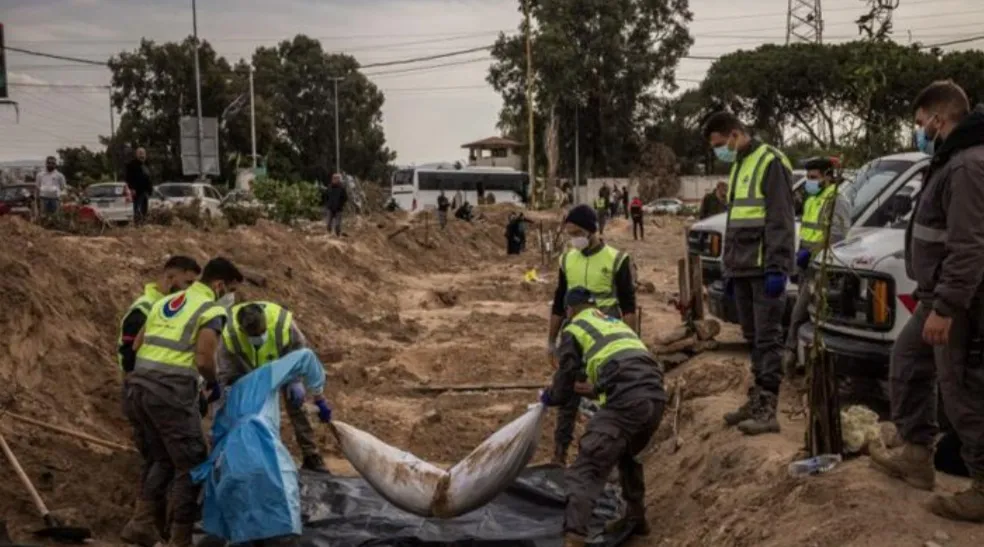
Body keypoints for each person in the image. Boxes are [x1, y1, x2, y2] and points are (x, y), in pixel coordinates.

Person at [869, 80, 984, 522]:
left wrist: (947, 308)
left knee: (960, 390)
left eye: (920, 123)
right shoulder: (951, 159)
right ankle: (917, 456)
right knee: (908, 360)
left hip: (960, 303)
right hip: (937, 295)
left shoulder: (967, 167)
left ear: (939, 117)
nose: (918, 131)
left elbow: (970, 247)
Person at [121, 257, 244, 547]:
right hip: (171, 392)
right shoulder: (210, 309)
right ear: (218, 284)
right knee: (191, 463)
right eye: (230, 289)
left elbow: (137, 344)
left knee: (162, 458)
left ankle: (141, 523)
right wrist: (212, 384)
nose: (230, 296)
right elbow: (204, 358)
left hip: (138, 388)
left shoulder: (167, 301)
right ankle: (180, 539)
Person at [539, 288, 666, 547]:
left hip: (627, 401)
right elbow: (624, 363)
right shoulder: (612, 322)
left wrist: (549, 397)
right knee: (626, 451)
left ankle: (574, 537)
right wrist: (596, 389)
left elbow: (563, 385)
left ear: (570, 310)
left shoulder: (574, 328)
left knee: (589, 466)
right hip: (654, 396)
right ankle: (636, 518)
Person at [702, 111, 795, 436]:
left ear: (734, 134)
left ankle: (768, 408)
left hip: (763, 268)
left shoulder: (770, 161)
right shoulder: (740, 163)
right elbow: (735, 222)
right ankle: (756, 400)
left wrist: (777, 267)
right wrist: (728, 270)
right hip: (741, 267)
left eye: (719, 144)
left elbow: (780, 219)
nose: (718, 151)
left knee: (768, 339)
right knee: (753, 338)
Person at [546, 204, 637, 465]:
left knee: (606, 396)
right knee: (567, 393)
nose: (573, 239)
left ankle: (608, 458)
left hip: (604, 343)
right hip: (574, 339)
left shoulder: (616, 259)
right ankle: (559, 453)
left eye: (576, 232)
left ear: (591, 230)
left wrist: (628, 346)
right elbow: (558, 303)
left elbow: (628, 306)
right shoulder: (567, 260)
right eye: (569, 233)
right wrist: (551, 342)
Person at [217, 301, 328, 472]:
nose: (258, 337)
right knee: (244, 413)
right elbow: (227, 368)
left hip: (280, 364)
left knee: (296, 404)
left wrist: (295, 380)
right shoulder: (230, 334)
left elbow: (300, 350)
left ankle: (311, 454)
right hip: (248, 370)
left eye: (261, 332)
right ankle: (240, 456)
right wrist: (229, 390)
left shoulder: (283, 324)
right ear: (242, 330)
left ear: (265, 323)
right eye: (253, 335)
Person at [782, 157, 850, 371]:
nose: (809, 182)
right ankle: (802, 361)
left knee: (798, 315)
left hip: (820, 271)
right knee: (802, 315)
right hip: (806, 267)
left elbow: (837, 238)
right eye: (808, 177)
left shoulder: (837, 200)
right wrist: (798, 260)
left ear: (828, 177)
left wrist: (810, 255)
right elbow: (807, 233)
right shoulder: (812, 200)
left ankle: (790, 357)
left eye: (814, 177)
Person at [125, 147, 153, 225]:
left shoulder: (146, 164)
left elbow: (149, 178)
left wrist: (150, 190)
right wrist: (132, 188)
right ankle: (137, 224)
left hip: (146, 191)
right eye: (140, 153)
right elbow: (128, 178)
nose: (142, 155)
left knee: (144, 209)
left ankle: (143, 223)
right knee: (137, 208)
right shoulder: (131, 165)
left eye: (143, 153)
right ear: (136, 154)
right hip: (137, 191)